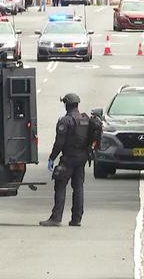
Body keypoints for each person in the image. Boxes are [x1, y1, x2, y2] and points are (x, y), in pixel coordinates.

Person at [40, 93, 102, 227]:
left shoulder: (66, 121)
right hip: (82, 158)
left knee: (60, 185)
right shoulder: (85, 119)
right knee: (78, 187)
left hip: (68, 158)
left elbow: (59, 143)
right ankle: (76, 219)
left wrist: (52, 158)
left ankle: (56, 218)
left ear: (66, 104)